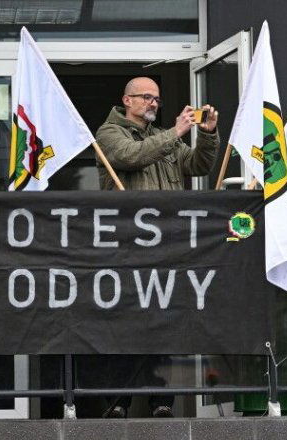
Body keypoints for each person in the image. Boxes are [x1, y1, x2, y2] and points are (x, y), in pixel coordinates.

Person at [89, 76, 220, 418]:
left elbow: (199, 166)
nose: (152, 103)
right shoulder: (109, 133)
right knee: (126, 325)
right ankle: (118, 401)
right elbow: (131, 157)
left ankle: (162, 400)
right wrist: (176, 131)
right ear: (127, 100)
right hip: (127, 248)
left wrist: (206, 134)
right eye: (145, 97)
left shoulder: (164, 138)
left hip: (167, 247)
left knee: (163, 323)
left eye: (156, 99)